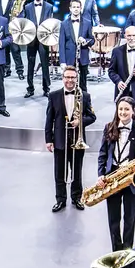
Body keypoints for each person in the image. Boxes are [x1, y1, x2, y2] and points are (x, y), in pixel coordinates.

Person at [98, 98, 135, 251]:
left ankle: (127, 251)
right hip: (112, 176)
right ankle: (116, 252)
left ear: (133, 111)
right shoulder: (109, 127)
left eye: (126, 109)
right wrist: (101, 174)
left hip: (131, 179)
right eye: (120, 109)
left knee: (130, 219)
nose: (123, 112)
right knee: (113, 219)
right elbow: (103, 153)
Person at [45, 66, 96, 212]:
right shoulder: (54, 96)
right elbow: (49, 119)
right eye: (67, 77)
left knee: (76, 172)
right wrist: (49, 139)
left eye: (73, 77)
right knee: (59, 173)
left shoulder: (84, 96)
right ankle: (60, 200)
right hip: (60, 141)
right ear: (63, 78)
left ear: (76, 78)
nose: (70, 80)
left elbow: (92, 117)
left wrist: (80, 121)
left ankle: (76, 198)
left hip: (77, 141)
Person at [21, 0, 57, 98]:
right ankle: (30, 88)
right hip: (31, 39)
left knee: (45, 64)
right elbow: (24, 22)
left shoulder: (49, 6)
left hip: (44, 39)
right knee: (30, 64)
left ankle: (46, 88)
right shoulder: (27, 7)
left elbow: (51, 23)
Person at [57, 0, 95, 87]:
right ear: (70, 8)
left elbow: (92, 40)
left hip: (83, 58)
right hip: (69, 58)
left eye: (78, 7)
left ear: (81, 8)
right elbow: (61, 43)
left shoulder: (88, 22)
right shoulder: (64, 24)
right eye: (74, 7)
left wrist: (85, 41)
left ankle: (84, 101)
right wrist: (62, 61)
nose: (76, 9)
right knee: (69, 85)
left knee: (83, 85)